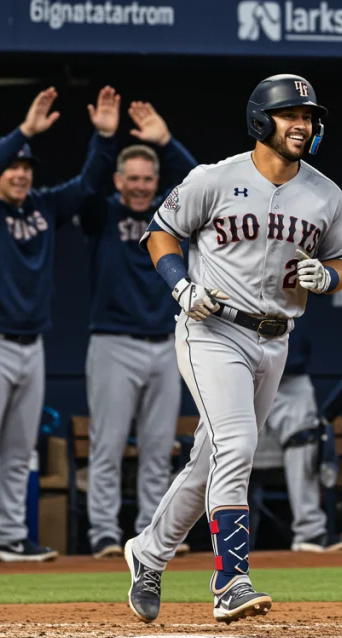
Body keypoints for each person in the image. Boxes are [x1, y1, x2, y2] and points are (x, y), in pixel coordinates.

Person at [124, 73, 342, 625]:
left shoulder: (325, 193)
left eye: (308, 117)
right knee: (239, 441)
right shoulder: (216, 177)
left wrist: (326, 277)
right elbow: (160, 230)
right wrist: (182, 286)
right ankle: (230, 578)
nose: (302, 125)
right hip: (211, 328)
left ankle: (149, 553)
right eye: (291, 116)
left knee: (212, 460)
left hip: (275, 338)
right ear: (262, 120)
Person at [0, 86, 119, 564]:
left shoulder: (43, 207)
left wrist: (105, 140)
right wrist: (24, 132)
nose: (21, 174)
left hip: (31, 344)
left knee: (22, 448)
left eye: (27, 168)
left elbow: (88, 184)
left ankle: (10, 534)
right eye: (15, 167)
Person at [79, 103, 199, 560]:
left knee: (157, 448)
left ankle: (153, 536)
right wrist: (104, 141)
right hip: (112, 341)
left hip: (163, 342)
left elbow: (196, 183)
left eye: (147, 179)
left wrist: (166, 144)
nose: (140, 186)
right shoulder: (101, 212)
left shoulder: (169, 216)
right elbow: (84, 189)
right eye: (132, 178)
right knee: (107, 446)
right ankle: (104, 534)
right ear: (118, 180)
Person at [255, 313, 342, 552]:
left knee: (305, 444)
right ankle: (224, 538)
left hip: (291, 372)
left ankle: (310, 532)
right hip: (243, 371)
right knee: (235, 455)